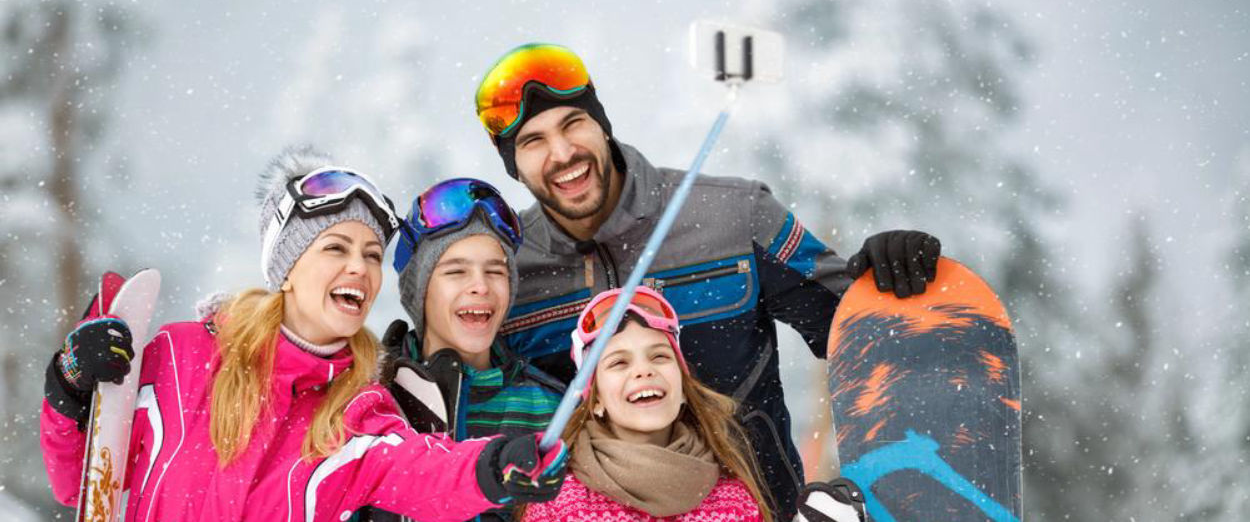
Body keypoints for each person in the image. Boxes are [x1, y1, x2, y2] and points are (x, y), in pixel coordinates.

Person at [473, 43, 942, 518]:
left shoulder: (733, 216)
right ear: (513, 164)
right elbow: (474, 405)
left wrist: (889, 281)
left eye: (573, 124)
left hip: (756, 510)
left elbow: (851, 331)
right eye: (533, 142)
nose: (562, 153)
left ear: (601, 123)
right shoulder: (509, 272)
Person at [40, 148, 565, 521]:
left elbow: (425, 471)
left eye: (372, 255)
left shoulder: (358, 413)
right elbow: (78, 481)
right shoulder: (181, 358)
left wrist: (494, 466)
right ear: (287, 268)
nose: (359, 268)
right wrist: (69, 384)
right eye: (336, 248)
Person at [358, 178, 566, 522]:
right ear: (420, 291)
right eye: (456, 271)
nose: (480, 286)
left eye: (495, 271)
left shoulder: (551, 409)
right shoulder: (368, 400)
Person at [521, 287, 769, 521]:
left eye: (659, 356)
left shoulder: (735, 502)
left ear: (684, 388)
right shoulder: (557, 504)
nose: (643, 370)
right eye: (619, 362)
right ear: (595, 399)